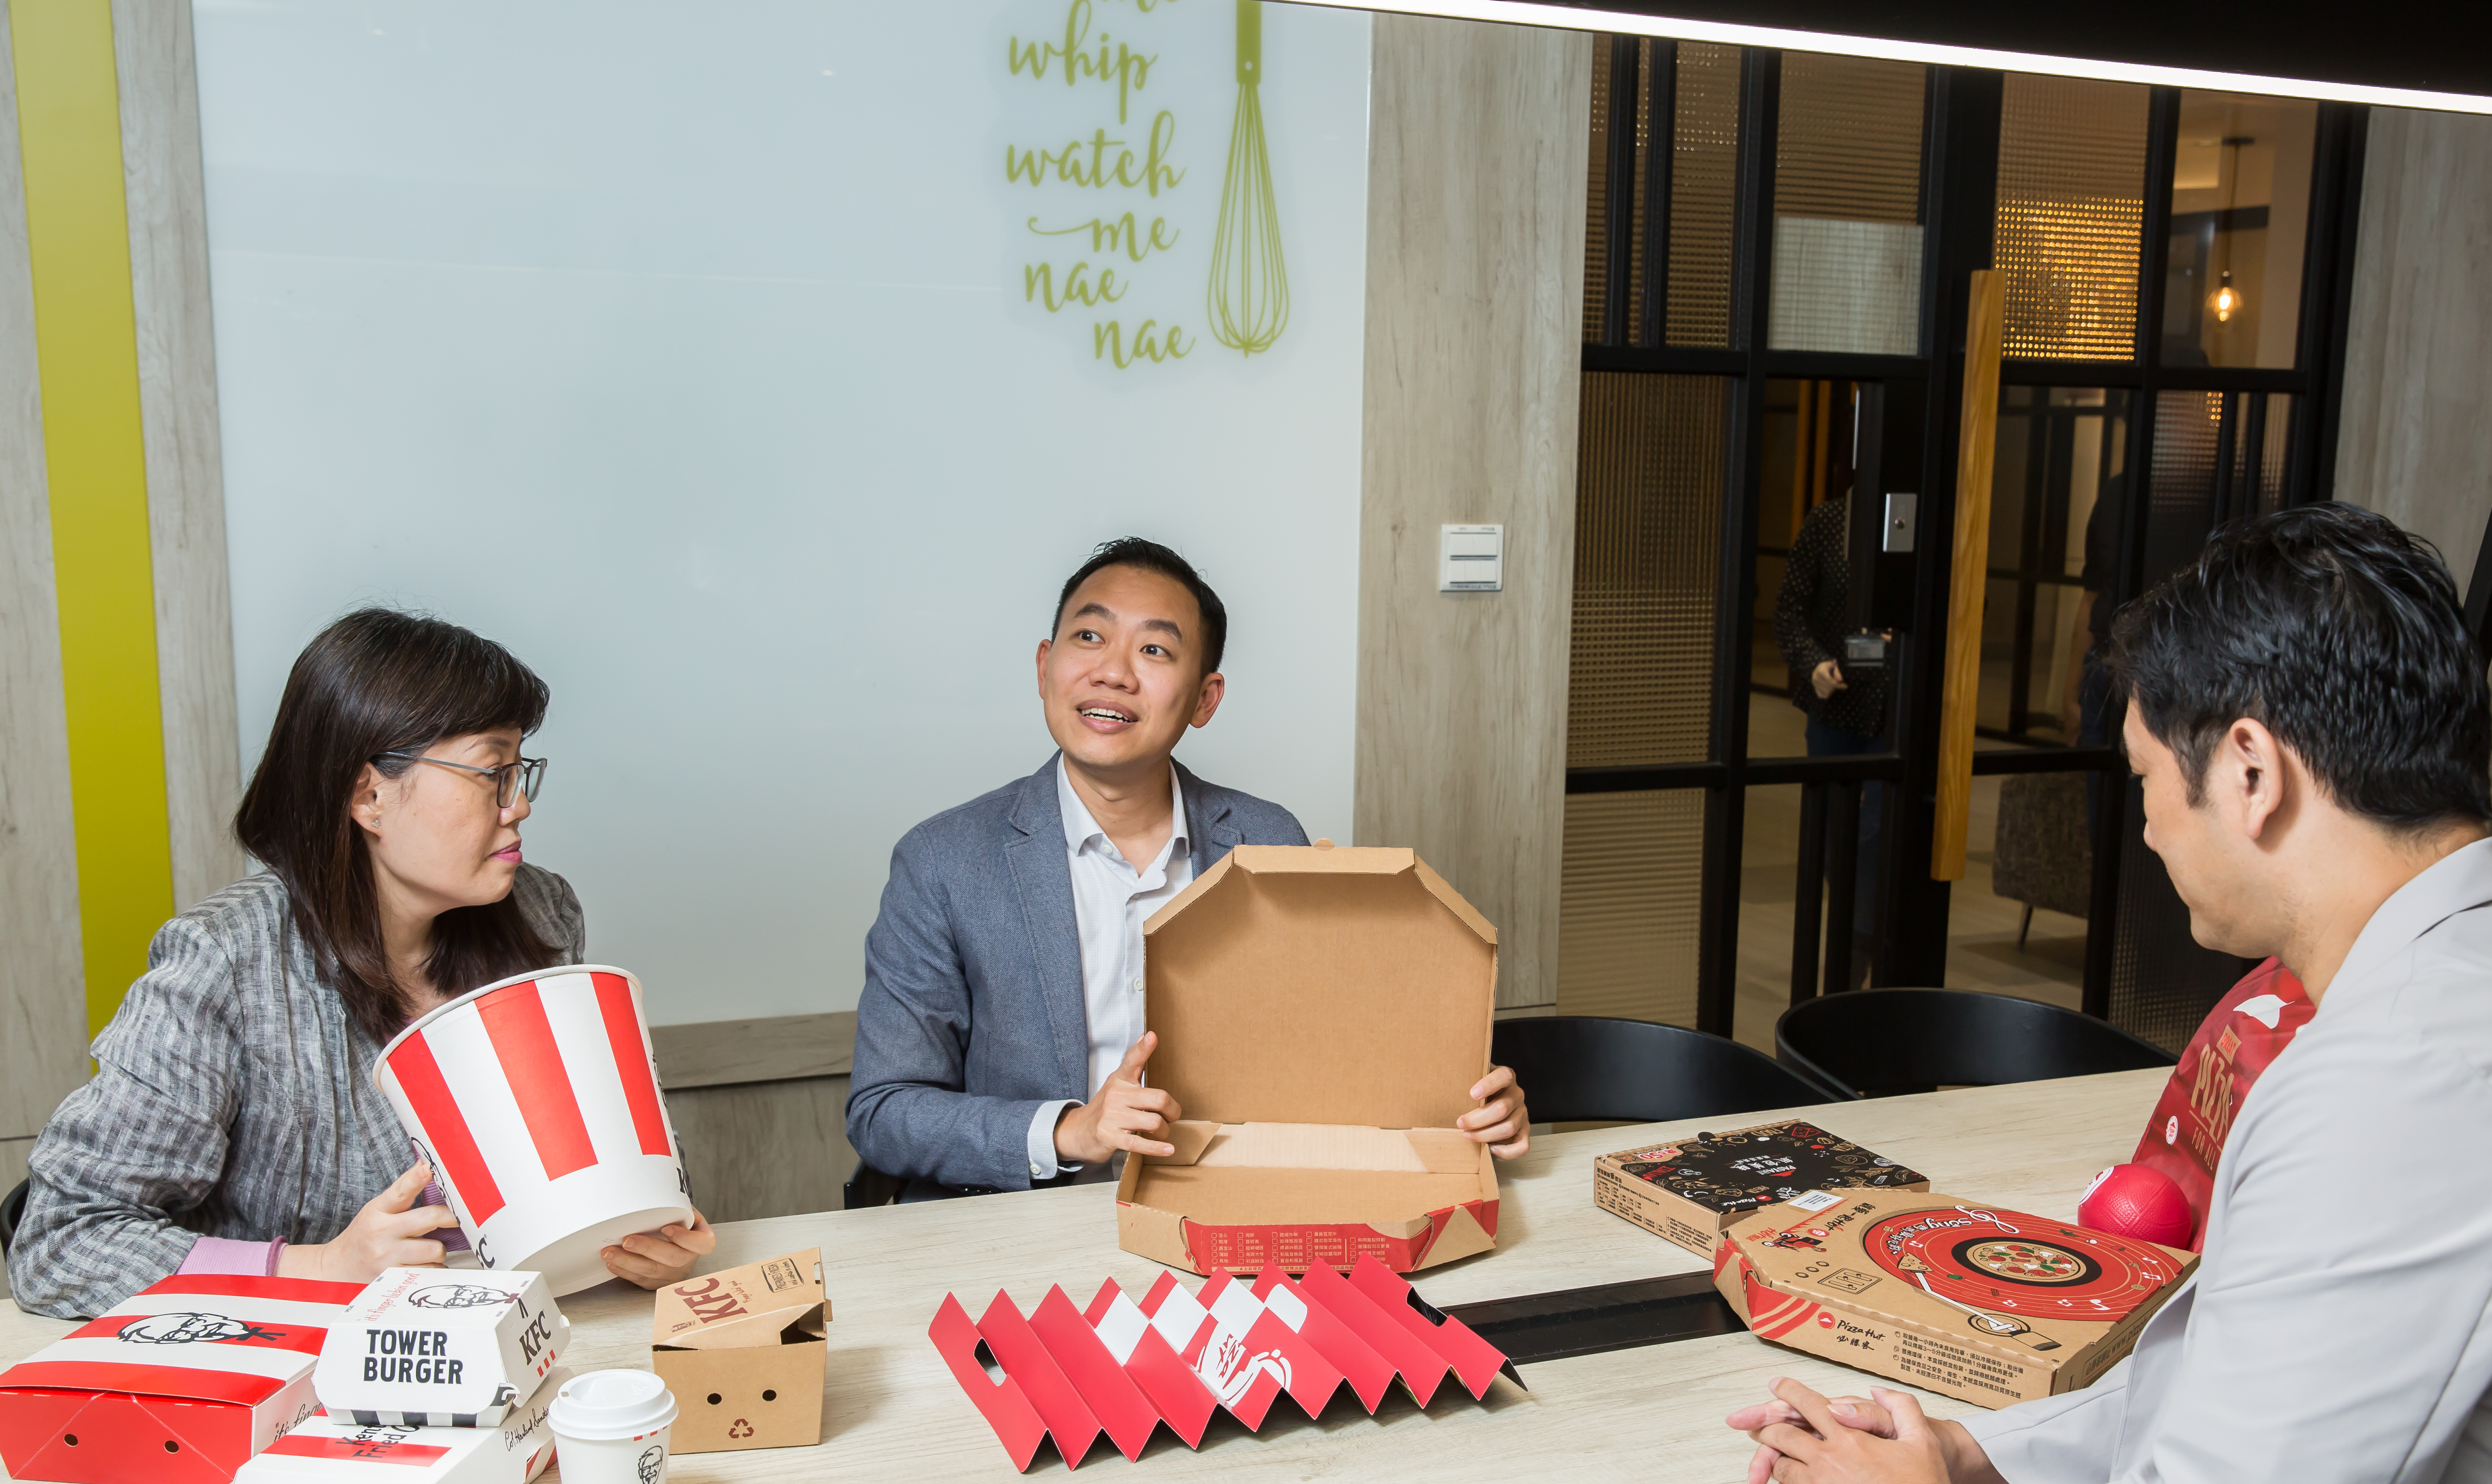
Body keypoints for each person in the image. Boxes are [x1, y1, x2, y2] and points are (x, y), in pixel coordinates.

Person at [1726, 503, 2492, 1484]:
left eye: (2146, 786)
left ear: (2249, 771)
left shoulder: (2408, 1079)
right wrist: (1976, 1452)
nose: (2154, 832)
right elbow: (2247, 1389)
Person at [6, 611, 715, 1320]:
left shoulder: (542, 914)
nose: (520, 805)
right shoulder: (224, 962)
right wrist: (316, 1268)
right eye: (493, 773)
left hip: (534, 1341)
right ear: (367, 795)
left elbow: (611, 1150)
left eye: (521, 770)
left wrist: (653, 1229)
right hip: (312, 1387)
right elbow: (62, 1239)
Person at [848, 537, 1530, 1199]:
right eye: (1090, 638)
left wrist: (1461, 1105)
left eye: (1154, 649)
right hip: (1018, 1231)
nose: (1113, 671)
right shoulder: (944, 861)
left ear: (1206, 699)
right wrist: (1069, 1130)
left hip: (1225, 1217)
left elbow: (1337, 1057)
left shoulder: (1266, 840)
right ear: (1044, 667)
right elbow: (883, 1110)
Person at [1772, 484, 1885, 979]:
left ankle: (1858, 954)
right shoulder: (1828, 522)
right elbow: (1789, 612)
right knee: (1830, 832)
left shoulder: (1922, 519)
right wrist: (1813, 663)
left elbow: (1970, 603)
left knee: (1879, 831)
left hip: (1895, 706)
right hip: (1837, 699)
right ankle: (1850, 932)